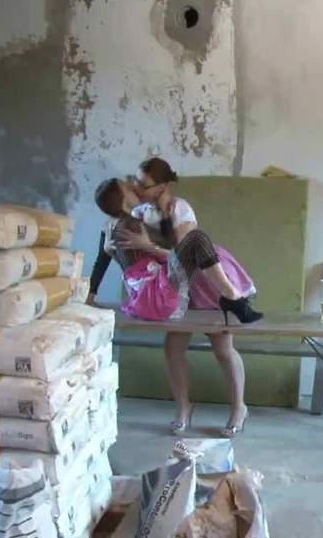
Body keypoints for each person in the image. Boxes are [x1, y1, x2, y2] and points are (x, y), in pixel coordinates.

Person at [91, 175, 252, 437]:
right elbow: (108, 258)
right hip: (177, 289)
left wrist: (148, 246)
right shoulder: (132, 219)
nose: (134, 187)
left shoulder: (177, 209)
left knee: (223, 349)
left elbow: (186, 253)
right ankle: (184, 408)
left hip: (203, 283)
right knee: (173, 349)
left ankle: (238, 408)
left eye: (139, 184)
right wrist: (93, 288)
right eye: (128, 187)